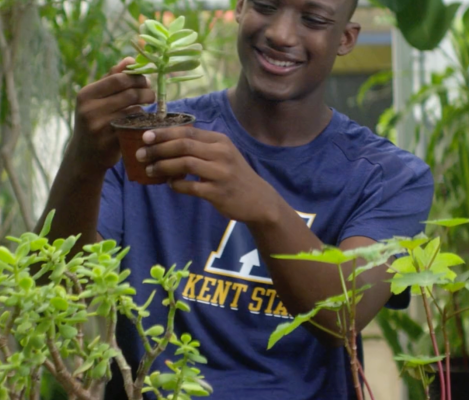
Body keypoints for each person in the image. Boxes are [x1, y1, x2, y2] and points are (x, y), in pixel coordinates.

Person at [42, 0, 432, 398]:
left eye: (313, 19)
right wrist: (84, 162)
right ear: (240, 7)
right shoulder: (148, 142)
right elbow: (53, 285)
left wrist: (265, 208)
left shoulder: (389, 177)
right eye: (265, 5)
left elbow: (343, 317)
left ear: (345, 38)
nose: (280, 34)